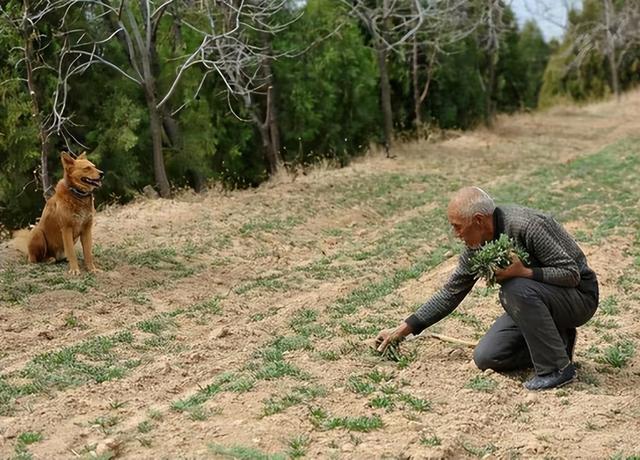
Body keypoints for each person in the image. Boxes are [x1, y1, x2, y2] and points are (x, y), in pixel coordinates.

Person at [375, 186, 599, 390]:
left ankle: (556, 369)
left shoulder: (528, 225)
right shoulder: (478, 246)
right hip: (537, 302)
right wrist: (403, 330)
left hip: (579, 297)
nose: (456, 234)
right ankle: (559, 343)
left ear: (479, 221)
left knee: (514, 288)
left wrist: (525, 272)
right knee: (488, 357)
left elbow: (571, 274)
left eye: (458, 227)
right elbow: (450, 293)